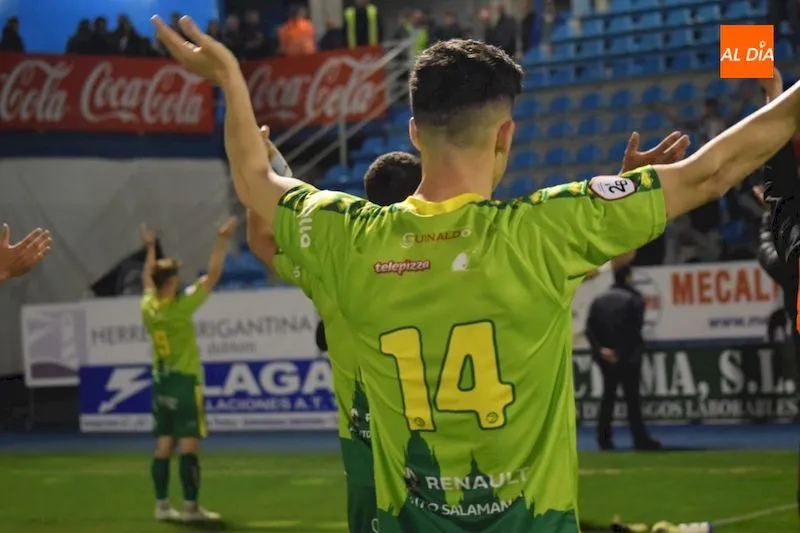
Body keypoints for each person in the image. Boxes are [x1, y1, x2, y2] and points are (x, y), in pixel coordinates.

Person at [151, 16, 800, 530]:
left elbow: (255, 180)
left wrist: (230, 78)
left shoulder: (347, 235)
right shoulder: (547, 231)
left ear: (413, 131)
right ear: (505, 136)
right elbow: (712, 171)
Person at [246, 132, 422, 533]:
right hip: (437, 452)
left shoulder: (332, 269)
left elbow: (260, 239)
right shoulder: (448, 264)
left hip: (366, 454)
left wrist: (263, 169)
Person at [140, 218, 236, 522]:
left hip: (161, 381)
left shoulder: (149, 307)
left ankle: (161, 505)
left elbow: (147, 279)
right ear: (170, 284)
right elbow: (213, 275)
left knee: (163, 444)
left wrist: (150, 248)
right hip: (184, 383)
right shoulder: (179, 310)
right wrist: (221, 240)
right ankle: (191, 508)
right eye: (176, 279)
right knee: (189, 445)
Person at [586, 264, 660, 451]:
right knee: (632, 399)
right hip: (628, 356)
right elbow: (633, 330)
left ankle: (604, 439)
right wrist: (621, 352)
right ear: (628, 278)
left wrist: (601, 349)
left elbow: (590, 329)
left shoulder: (599, 300)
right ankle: (639, 438)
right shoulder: (634, 299)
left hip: (606, 357)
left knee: (608, 397)